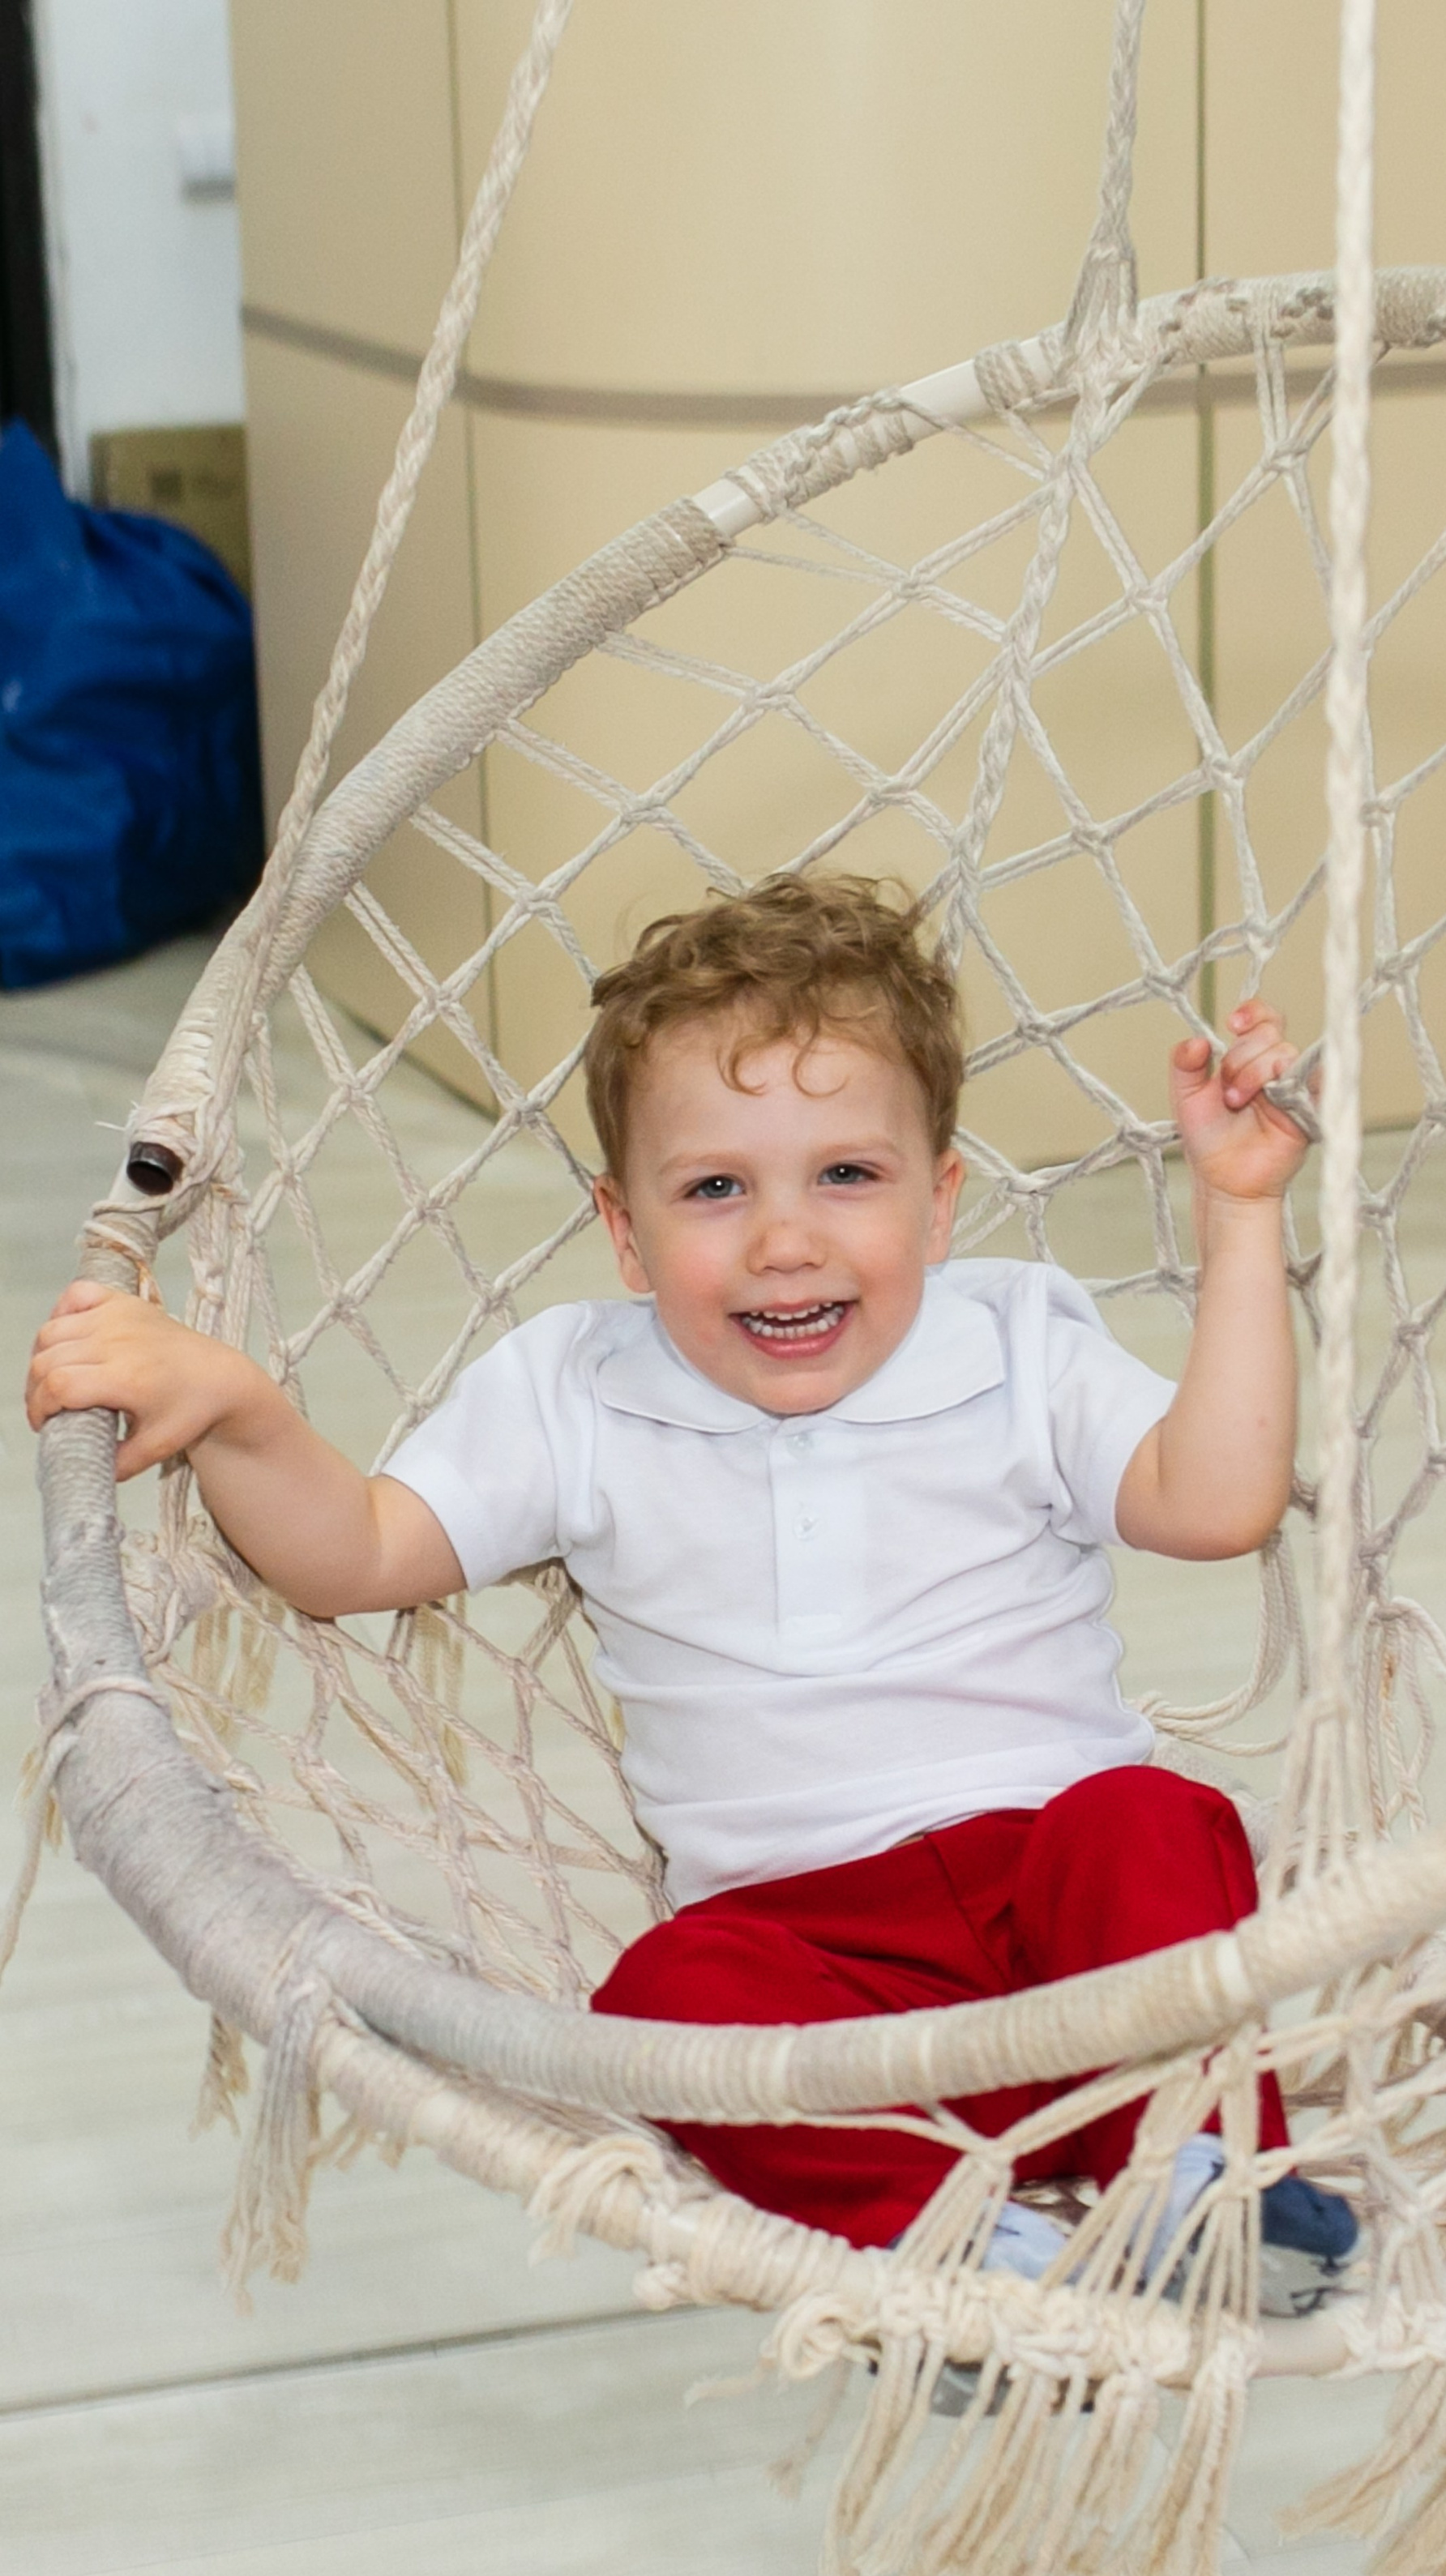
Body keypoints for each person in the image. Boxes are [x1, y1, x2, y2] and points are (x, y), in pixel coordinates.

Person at [26, 873, 1354, 2307]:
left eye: (848, 1175)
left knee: (1156, 1824)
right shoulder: (577, 1388)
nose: (786, 1239)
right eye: (716, 1188)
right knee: (663, 2000)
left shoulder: (1017, 1339)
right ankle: (946, 2243)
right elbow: (356, 1549)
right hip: (810, 1955)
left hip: (1062, 1893)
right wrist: (237, 1411)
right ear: (624, 1226)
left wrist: (1237, 1216)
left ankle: (1200, 2174)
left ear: (942, 1196)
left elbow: (1217, 1504)